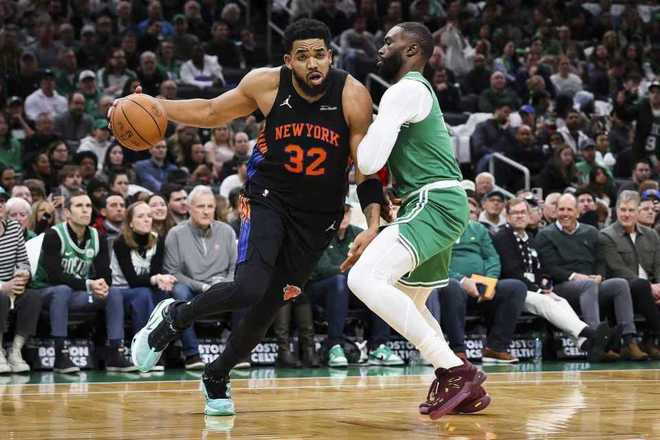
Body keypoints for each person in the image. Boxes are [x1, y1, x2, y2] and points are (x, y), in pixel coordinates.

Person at [123, 19, 384, 416]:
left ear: (331, 56)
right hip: (268, 199)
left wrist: (374, 223)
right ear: (288, 61)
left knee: (268, 306)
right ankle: (174, 317)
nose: (313, 63)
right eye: (303, 56)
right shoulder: (266, 84)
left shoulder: (353, 95)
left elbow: (365, 167)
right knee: (249, 288)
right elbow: (212, 110)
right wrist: (158, 106)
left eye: (319, 54)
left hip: (319, 218)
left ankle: (216, 374)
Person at [346, 22, 488, 419]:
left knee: (363, 279)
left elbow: (369, 160)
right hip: (434, 201)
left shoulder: (403, 90)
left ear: (412, 51)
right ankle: (458, 378)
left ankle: (455, 370)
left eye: (388, 41)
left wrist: (357, 130)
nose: (380, 48)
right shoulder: (415, 92)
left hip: (433, 201)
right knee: (408, 299)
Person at [492, 198, 617, 362]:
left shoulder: (529, 238)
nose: (519, 216)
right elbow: (511, 272)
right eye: (515, 213)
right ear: (507, 216)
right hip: (513, 291)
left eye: (523, 212)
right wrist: (539, 291)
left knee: (560, 301)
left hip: (533, 289)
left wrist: (544, 285)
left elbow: (539, 270)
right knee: (545, 301)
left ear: (529, 215)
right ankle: (592, 334)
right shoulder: (503, 236)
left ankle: (586, 345)